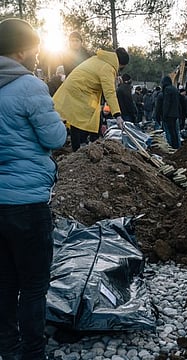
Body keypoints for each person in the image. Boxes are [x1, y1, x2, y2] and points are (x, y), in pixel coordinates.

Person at [0, 18, 67, 360]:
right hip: (27, 203)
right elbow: (55, 137)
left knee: (4, 284)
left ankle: (8, 350)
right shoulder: (28, 85)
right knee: (33, 287)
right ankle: (34, 354)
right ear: (23, 49)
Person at [53, 47, 129, 151]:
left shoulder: (99, 59)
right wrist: (118, 115)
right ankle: (85, 148)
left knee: (82, 120)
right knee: (79, 121)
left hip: (79, 91)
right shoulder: (108, 67)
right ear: (121, 64)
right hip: (80, 92)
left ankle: (82, 147)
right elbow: (110, 93)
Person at [155, 75, 182, 149]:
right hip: (175, 114)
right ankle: (177, 146)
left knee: (170, 132)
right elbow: (178, 103)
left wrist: (164, 115)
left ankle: (171, 147)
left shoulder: (167, 90)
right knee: (175, 132)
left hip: (169, 115)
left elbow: (166, 103)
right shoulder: (175, 89)